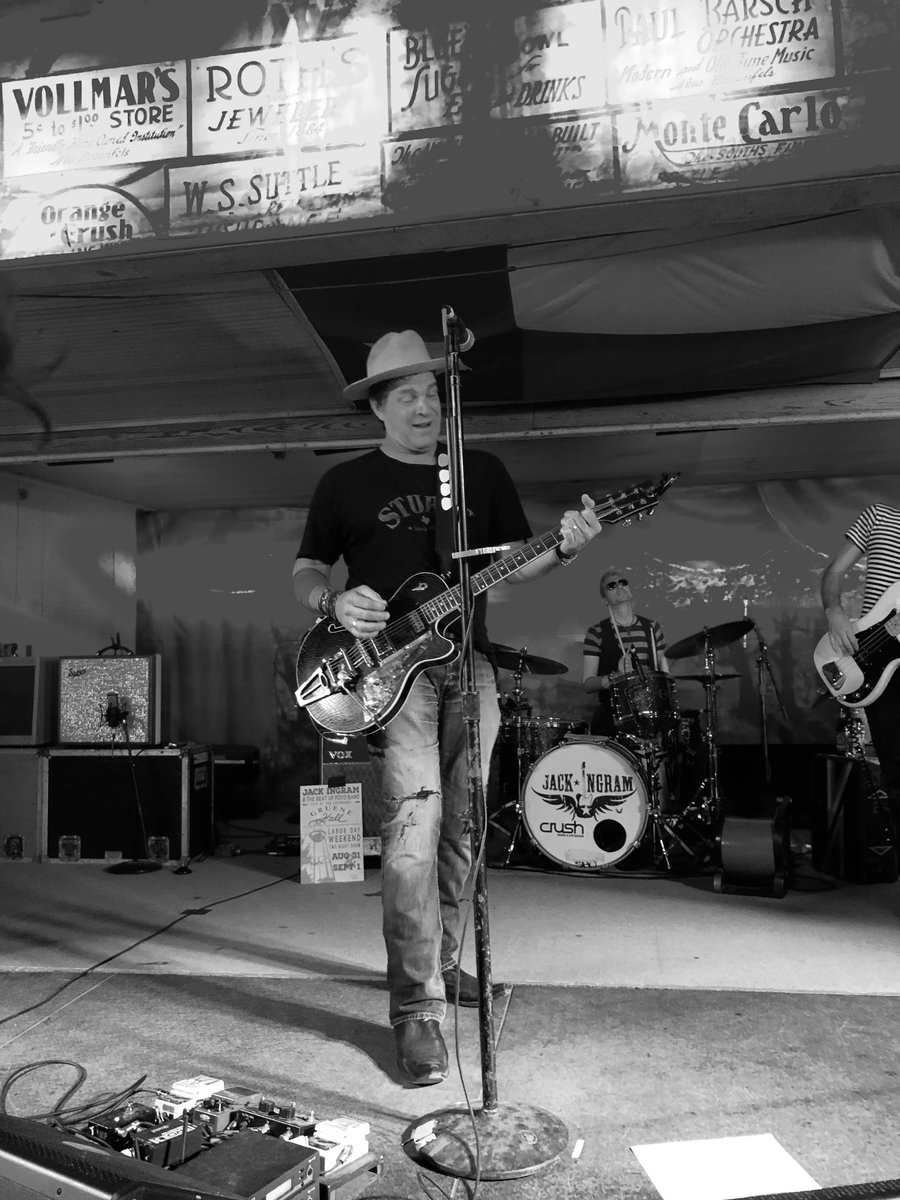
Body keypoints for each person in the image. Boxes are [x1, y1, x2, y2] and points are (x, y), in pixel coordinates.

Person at [292, 329, 603, 1086]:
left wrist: (565, 547)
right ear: (377, 407)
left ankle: (445, 960)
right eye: (407, 395)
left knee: (466, 829)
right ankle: (415, 1010)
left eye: (432, 392)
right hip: (390, 677)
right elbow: (305, 569)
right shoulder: (344, 482)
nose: (424, 405)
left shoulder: (478, 470)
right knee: (413, 834)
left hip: (470, 666)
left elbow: (513, 567)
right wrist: (332, 601)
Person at [821, 504, 900, 843]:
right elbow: (834, 572)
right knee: (896, 772)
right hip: (878, 662)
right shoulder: (879, 515)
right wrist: (834, 612)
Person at [582, 568, 670, 738]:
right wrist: (615, 678)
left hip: (650, 711)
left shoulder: (653, 628)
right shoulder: (596, 632)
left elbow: (665, 675)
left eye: (623, 582)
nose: (619, 586)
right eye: (611, 586)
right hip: (614, 715)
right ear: (604, 600)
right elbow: (587, 684)